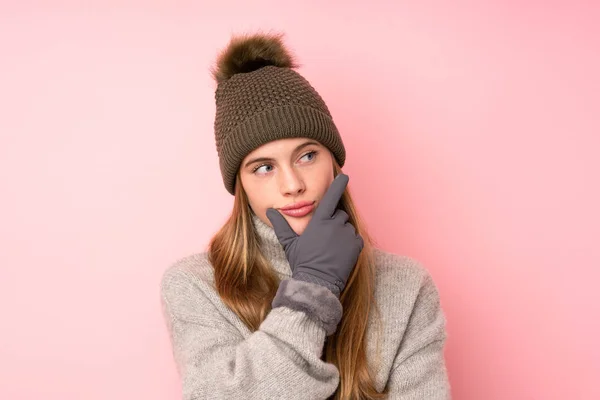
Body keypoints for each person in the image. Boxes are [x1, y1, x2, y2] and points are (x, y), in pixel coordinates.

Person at [160, 32, 451, 400]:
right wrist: (311, 291)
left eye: (307, 156)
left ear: (334, 162)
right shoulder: (195, 285)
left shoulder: (407, 286)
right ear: (241, 186)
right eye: (263, 167)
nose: (292, 184)